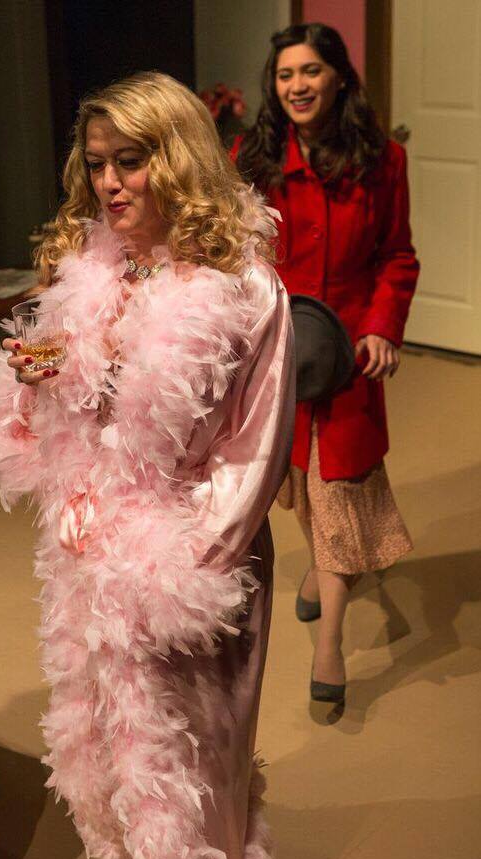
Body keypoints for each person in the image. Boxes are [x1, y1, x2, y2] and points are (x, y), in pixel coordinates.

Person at [0, 72, 295, 859]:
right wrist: (34, 389)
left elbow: (254, 451)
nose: (109, 183)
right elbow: (69, 423)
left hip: (192, 565)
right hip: (91, 555)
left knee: (204, 763)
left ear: (178, 158)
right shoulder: (93, 271)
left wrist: (178, 570)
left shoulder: (246, 287)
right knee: (128, 752)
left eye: (132, 161)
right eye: (98, 162)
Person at [233, 23, 419, 703]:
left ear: (339, 77)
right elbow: (231, 249)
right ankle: (321, 568)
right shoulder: (250, 158)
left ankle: (330, 648)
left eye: (311, 71)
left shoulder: (383, 159)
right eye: (286, 75)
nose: (298, 86)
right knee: (294, 486)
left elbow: (397, 256)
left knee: (337, 491)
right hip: (277, 352)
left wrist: (382, 328)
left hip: (347, 360)